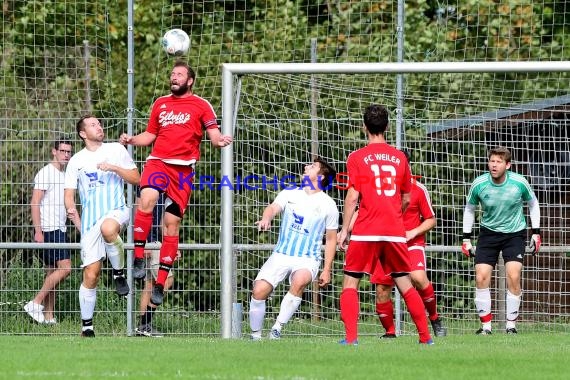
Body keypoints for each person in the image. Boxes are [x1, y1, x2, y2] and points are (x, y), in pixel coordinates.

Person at [119, 61, 232, 307]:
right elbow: (150, 135)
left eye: (179, 74)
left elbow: (213, 135)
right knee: (146, 200)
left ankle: (160, 283)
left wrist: (220, 139)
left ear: (190, 80)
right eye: (172, 74)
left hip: (182, 172)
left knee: (171, 225)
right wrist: (131, 140)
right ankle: (138, 257)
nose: (174, 77)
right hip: (158, 162)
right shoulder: (160, 103)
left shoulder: (202, 105)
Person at [337, 104, 432, 345]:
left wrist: (344, 229)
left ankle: (351, 340)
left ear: (364, 127)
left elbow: (352, 197)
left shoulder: (356, 157)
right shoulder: (400, 157)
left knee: (350, 282)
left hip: (366, 231)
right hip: (394, 232)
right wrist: (393, 214)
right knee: (404, 282)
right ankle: (425, 337)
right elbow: (408, 197)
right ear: (387, 127)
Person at [64, 115, 140, 337]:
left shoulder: (116, 149)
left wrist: (114, 168)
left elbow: (137, 178)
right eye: (92, 125)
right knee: (91, 275)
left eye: (99, 123)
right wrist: (76, 218)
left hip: (116, 210)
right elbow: (69, 195)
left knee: (109, 229)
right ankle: (87, 327)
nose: (99, 126)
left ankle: (118, 273)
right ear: (82, 133)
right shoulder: (76, 160)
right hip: (89, 221)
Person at [249, 157, 338, 340]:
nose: (306, 167)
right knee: (259, 291)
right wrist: (267, 218)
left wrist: (327, 269)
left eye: (312, 166)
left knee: (301, 279)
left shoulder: (328, 205)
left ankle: (277, 329)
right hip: (282, 254)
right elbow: (272, 208)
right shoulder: (290, 193)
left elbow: (331, 239)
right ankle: (255, 336)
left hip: (308, 258)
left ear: (320, 177)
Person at [366, 150, 446, 338]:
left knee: (418, 277)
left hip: (411, 244)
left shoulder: (418, 189)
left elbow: (431, 220)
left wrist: (413, 232)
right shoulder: (381, 188)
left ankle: (434, 318)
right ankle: (390, 333)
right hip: (385, 245)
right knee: (382, 290)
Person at [462, 146, 541, 335]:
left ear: (508, 165)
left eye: (498, 162)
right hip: (488, 233)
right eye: (491, 161)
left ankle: (511, 326)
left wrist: (536, 232)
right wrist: (466, 238)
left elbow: (533, 204)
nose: (494, 165)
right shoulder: (479, 183)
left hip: (515, 234)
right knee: (481, 276)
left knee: (513, 276)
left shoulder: (519, 182)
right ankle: (486, 328)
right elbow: (470, 209)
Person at [25, 139, 74, 324]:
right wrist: (38, 231)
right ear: (54, 151)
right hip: (49, 228)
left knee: (52, 272)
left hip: (60, 227)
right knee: (65, 268)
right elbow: (35, 202)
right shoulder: (46, 172)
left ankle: (48, 316)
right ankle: (35, 303)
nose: (66, 154)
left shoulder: (65, 174)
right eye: (62, 151)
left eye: (69, 151)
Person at [134, 191, 175, 338]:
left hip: (154, 241)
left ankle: (143, 328)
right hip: (154, 242)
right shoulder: (160, 183)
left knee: (150, 284)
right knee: (166, 280)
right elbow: (162, 222)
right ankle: (145, 324)